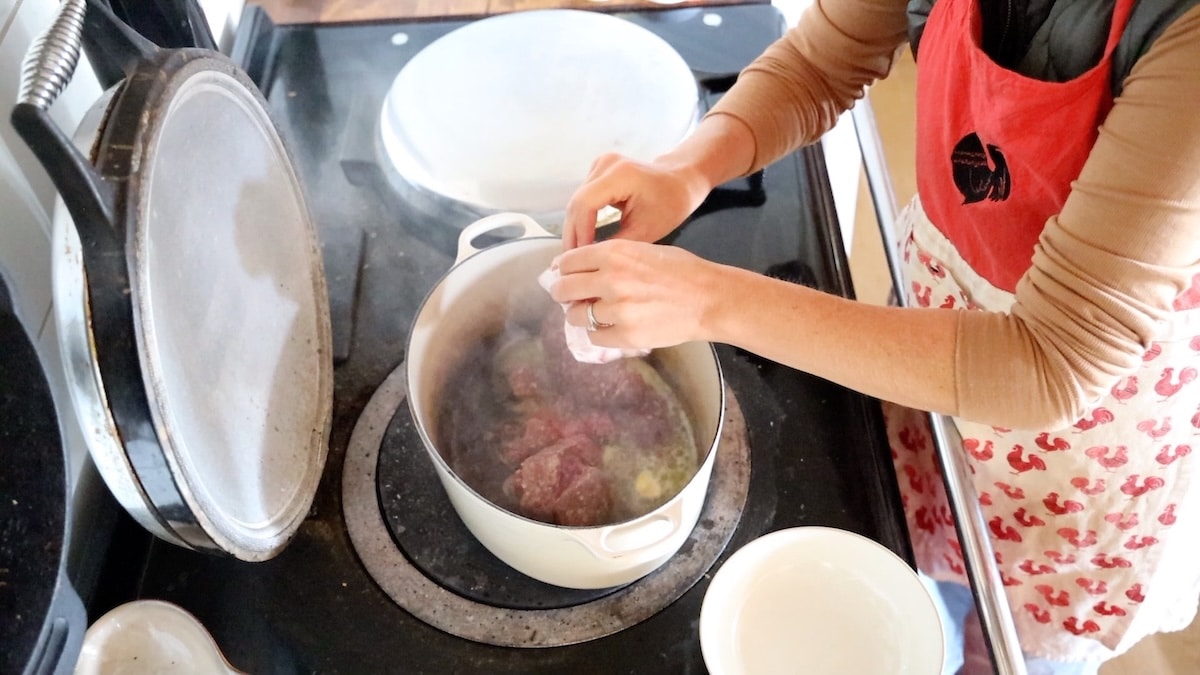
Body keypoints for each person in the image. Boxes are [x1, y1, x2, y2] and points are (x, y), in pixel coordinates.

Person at [547, 0, 1200, 672]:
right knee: (917, 580)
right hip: (931, 334)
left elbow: (1050, 362)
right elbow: (817, 64)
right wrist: (689, 168)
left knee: (1014, 651)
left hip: (1086, 450)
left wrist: (712, 297)